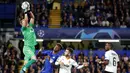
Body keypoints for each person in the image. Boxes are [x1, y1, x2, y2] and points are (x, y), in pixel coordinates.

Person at [20, 2, 37, 73]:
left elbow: (33, 18)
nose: (24, 21)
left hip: (32, 47)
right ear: (22, 24)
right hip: (27, 47)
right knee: (34, 59)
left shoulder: (30, 26)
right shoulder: (23, 29)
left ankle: (22, 70)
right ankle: (23, 69)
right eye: (23, 21)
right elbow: (26, 19)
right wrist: (25, 11)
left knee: (26, 63)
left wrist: (29, 11)